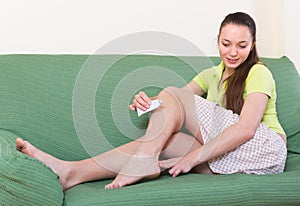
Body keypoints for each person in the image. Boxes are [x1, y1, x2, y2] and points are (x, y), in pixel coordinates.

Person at [16, 11, 287, 190]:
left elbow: (246, 128)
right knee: (164, 139)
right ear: (217, 41)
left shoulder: (258, 72)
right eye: (226, 43)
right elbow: (172, 104)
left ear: (253, 45)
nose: (233, 52)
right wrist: (149, 102)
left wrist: (191, 158)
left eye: (242, 45)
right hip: (230, 157)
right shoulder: (211, 75)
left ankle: (144, 162)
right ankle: (72, 173)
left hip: (264, 150)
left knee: (170, 100)